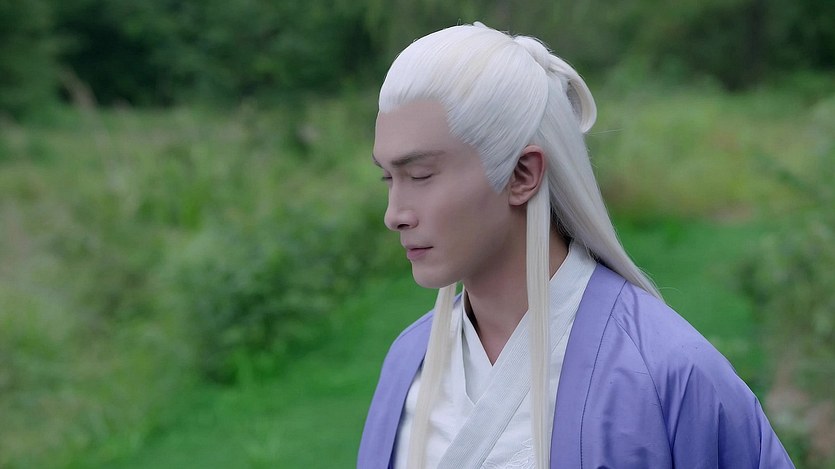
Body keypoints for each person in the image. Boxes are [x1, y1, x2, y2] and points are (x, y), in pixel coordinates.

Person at [358, 22, 794, 469]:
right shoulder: (408, 361)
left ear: (523, 174)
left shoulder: (671, 371)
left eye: (421, 175)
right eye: (388, 177)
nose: (395, 214)